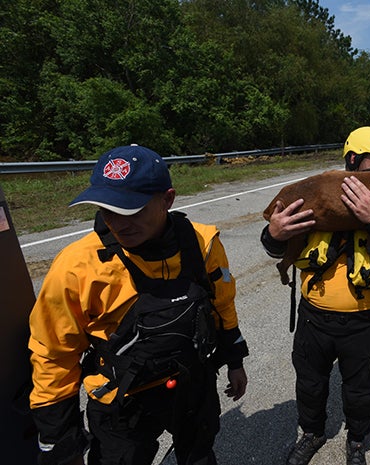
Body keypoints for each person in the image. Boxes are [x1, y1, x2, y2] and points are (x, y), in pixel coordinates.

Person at [28, 144, 249, 465]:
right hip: (122, 400)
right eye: (107, 209)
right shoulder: (76, 266)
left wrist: (235, 360)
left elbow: (222, 305)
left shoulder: (202, 243)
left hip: (192, 384)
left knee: (200, 455)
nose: (118, 222)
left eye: (131, 209)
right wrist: (61, 445)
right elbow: (53, 354)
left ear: (167, 200)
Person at [261, 127, 370, 465]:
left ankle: (355, 442)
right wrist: (273, 233)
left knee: (361, 392)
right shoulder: (314, 198)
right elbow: (273, 245)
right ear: (352, 160)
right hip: (314, 319)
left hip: (362, 323)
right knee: (310, 386)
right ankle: (312, 433)